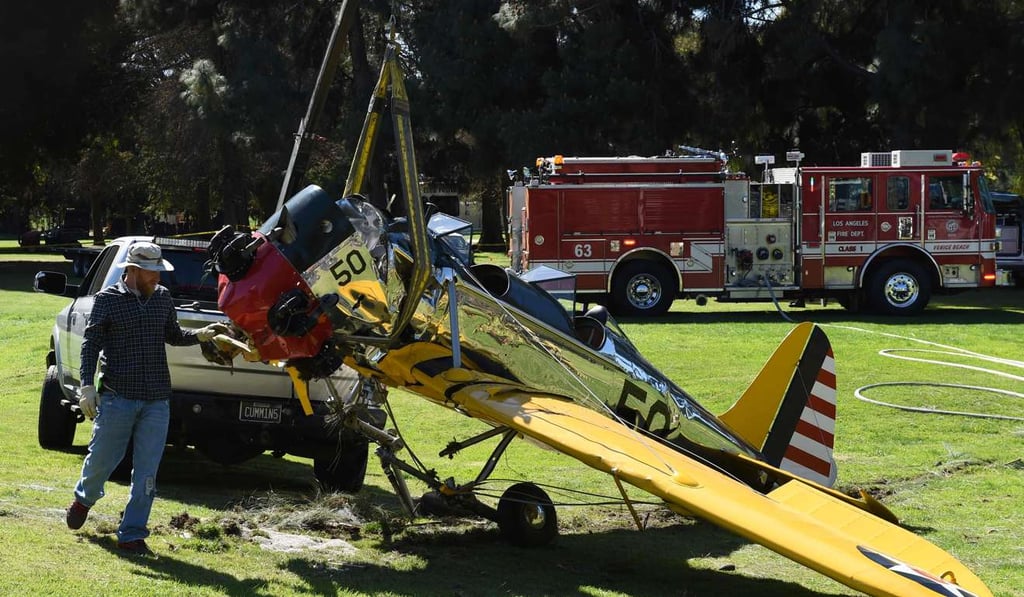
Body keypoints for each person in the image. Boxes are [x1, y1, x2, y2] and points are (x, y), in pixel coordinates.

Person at [64, 241, 227, 555]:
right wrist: (86, 387)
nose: (158, 279)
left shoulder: (163, 298)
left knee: (147, 472)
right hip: (117, 397)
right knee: (102, 461)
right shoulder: (107, 301)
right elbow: (90, 345)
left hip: (156, 400)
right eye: (152, 273)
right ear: (133, 271)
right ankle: (84, 498)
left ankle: (132, 534)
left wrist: (202, 335)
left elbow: (174, 335)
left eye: (158, 272)